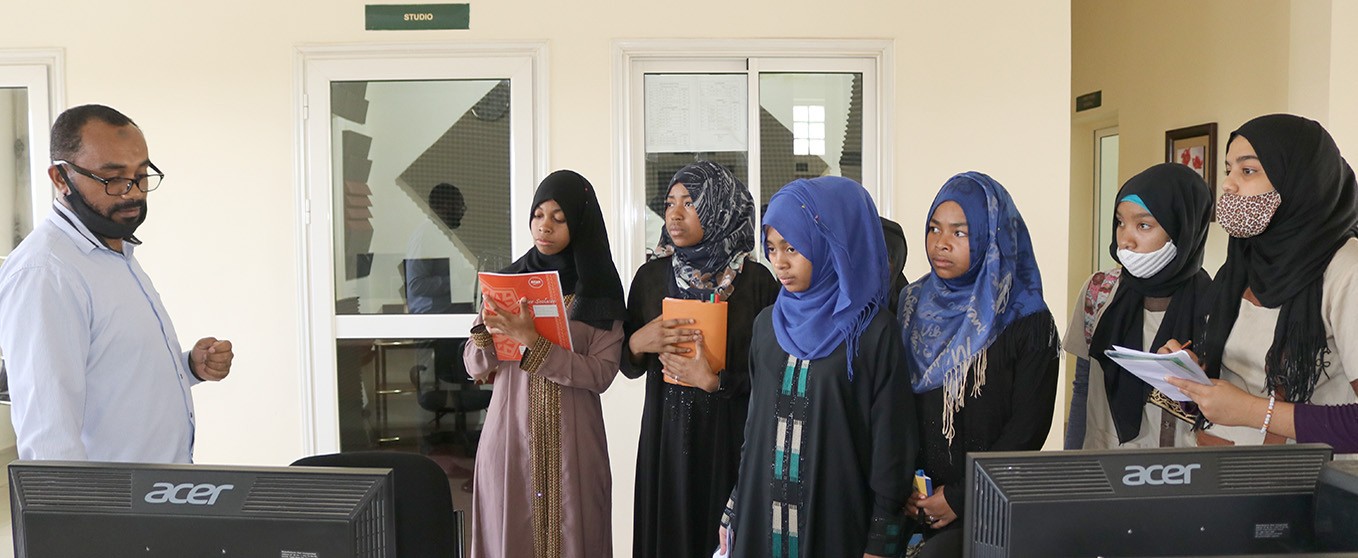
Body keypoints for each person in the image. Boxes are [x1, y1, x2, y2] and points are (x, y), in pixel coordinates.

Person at [0, 104, 233, 463]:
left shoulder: (114, 251)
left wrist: (188, 366)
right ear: (61, 178)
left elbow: (112, 376)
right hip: (114, 511)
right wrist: (83, 520)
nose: (133, 192)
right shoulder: (46, 273)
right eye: (113, 178)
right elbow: (49, 441)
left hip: (156, 497)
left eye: (141, 175)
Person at [718, 176, 915, 558]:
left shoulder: (871, 331)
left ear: (830, 245)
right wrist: (734, 510)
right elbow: (755, 431)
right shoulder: (766, 326)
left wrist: (881, 540)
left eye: (793, 247)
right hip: (762, 521)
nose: (780, 262)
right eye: (772, 248)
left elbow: (892, 446)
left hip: (836, 522)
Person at [1159, 114, 1358, 448]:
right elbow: (1235, 384)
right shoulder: (1244, 257)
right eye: (1227, 170)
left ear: (1298, 180)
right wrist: (1195, 376)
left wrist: (1254, 412)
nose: (1227, 184)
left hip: (1310, 488)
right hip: (1228, 478)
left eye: (1247, 170)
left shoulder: (1346, 268)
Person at [463, 170, 626, 558]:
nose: (545, 226)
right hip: (509, 440)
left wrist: (533, 344)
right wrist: (485, 331)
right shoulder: (506, 282)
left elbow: (602, 374)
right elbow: (474, 365)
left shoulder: (598, 290)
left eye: (559, 217)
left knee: (575, 535)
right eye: (538, 215)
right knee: (510, 535)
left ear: (580, 222)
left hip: (575, 446)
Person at [898, 172, 1059, 557]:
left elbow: (1027, 431)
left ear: (992, 235)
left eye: (960, 233)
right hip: (912, 501)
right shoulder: (909, 303)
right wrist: (901, 482)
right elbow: (893, 405)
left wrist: (960, 497)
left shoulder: (1026, 320)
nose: (941, 243)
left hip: (989, 507)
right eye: (934, 229)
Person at [624, 162, 779, 558]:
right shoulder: (650, 277)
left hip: (731, 438)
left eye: (690, 203)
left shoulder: (759, 283)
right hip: (666, 439)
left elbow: (773, 375)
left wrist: (716, 380)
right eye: (670, 203)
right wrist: (639, 341)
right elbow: (627, 365)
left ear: (719, 208)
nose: (674, 214)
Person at [1064, 163, 1212, 450]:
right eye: (1120, 222)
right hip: (1103, 463)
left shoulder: (1215, 303)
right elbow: (1084, 385)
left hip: (1180, 473)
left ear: (1183, 227)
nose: (1125, 240)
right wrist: (1071, 462)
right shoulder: (1099, 291)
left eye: (1143, 225)